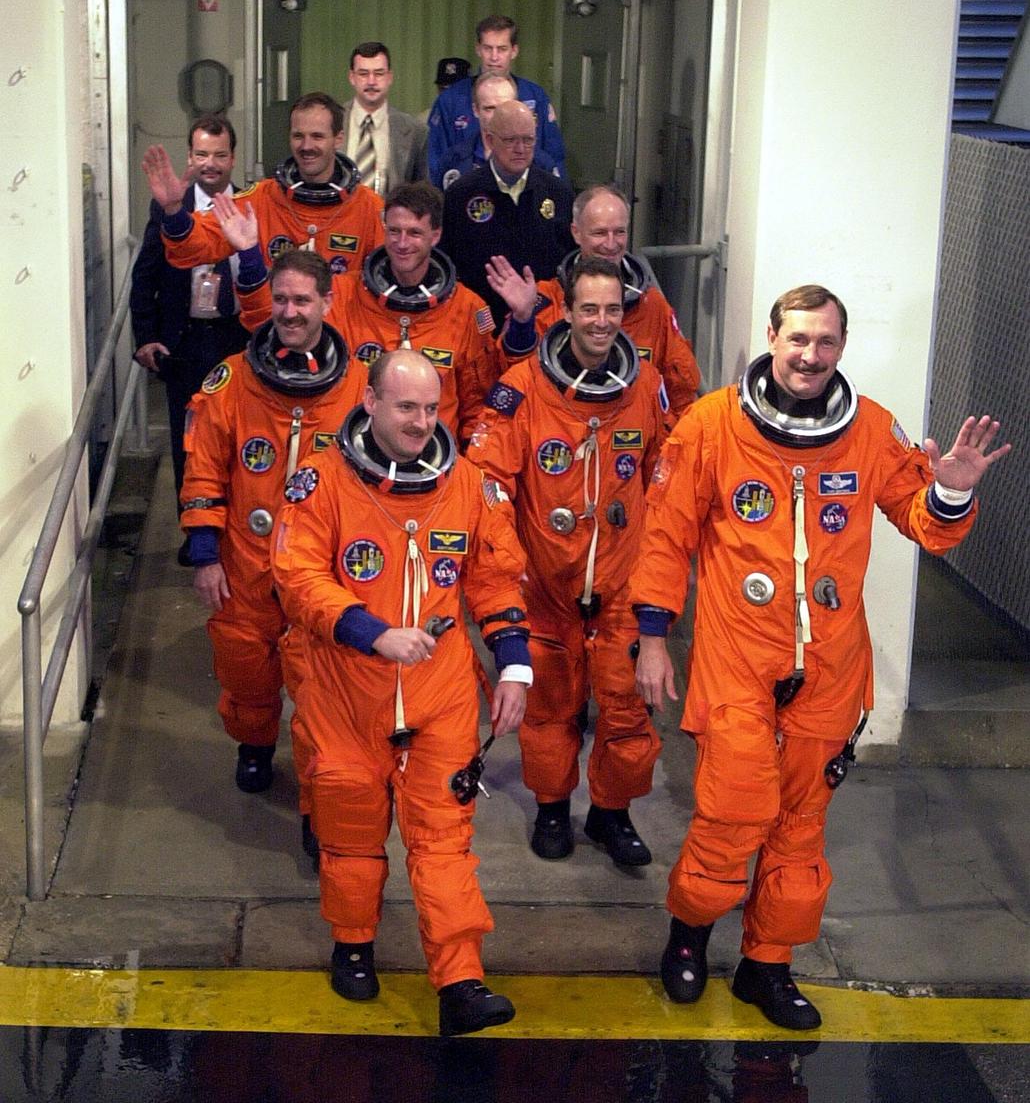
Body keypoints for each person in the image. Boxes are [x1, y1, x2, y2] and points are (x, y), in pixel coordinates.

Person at [630, 284, 1012, 1031]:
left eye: (826, 342)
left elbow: (922, 522)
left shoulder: (869, 430)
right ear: (771, 336)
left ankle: (767, 965)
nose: (810, 356)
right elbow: (664, 536)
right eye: (798, 338)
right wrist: (651, 637)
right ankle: (689, 937)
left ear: (842, 347)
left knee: (801, 823)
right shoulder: (710, 426)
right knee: (733, 811)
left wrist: (954, 494)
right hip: (738, 656)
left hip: (831, 665)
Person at [271, 350, 532, 1037]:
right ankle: (354, 943)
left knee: (444, 840)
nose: (420, 422)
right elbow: (295, 574)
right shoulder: (320, 482)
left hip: (439, 694)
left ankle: (461, 981)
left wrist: (513, 665)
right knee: (353, 836)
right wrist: (369, 631)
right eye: (405, 407)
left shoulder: (470, 486)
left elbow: (497, 580)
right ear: (371, 404)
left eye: (430, 408)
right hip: (345, 692)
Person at [467, 259, 669, 867]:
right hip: (546, 591)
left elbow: (667, 479)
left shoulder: (647, 385)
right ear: (568, 312)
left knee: (628, 715)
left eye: (612, 310)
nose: (601, 321)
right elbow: (486, 480)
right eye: (589, 309)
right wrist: (512, 567)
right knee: (550, 713)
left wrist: (657, 577)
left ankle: (613, 814)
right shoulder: (523, 387)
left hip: (622, 587)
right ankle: (553, 809)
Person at [180, 250, 366, 836]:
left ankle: (320, 805)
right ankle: (255, 746)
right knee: (246, 671)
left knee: (324, 694)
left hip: (323, 572)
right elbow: (204, 470)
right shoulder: (232, 381)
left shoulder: (361, 384)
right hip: (245, 562)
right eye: (280, 300)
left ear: (326, 304)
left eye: (302, 301)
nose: (289, 311)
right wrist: (206, 554)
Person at [130, 115, 248, 558]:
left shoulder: (252, 204)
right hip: (185, 340)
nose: (211, 164)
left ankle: (235, 530)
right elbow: (145, 273)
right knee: (188, 438)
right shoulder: (168, 206)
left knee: (237, 436)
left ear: (233, 158)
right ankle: (194, 534)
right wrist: (144, 336)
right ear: (189, 157)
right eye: (202, 155)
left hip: (238, 337)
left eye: (220, 155)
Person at [486, 184, 702, 417]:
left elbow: (681, 392)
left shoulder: (653, 307)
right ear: (576, 233)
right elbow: (512, 375)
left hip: (629, 432)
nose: (611, 244)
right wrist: (522, 321)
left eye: (619, 232)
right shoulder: (545, 300)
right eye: (599, 233)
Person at [320, 181, 499, 445]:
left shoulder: (468, 308)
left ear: (435, 235)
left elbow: (477, 407)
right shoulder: (342, 294)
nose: (402, 243)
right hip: (355, 450)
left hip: (432, 457)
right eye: (394, 231)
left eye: (414, 233)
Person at [142, 92, 383, 283]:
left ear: (338, 138)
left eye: (317, 136)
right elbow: (191, 249)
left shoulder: (369, 207)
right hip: (272, 335)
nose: (306, 146)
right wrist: (174, 210)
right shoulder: (260, 199)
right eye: (298, 136)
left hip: (341, 339)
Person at [441, 99, 575, 328]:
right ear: (490, 140)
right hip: (477, 323)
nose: (521, 149)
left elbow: (570, 264)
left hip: (544, 323)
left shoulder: (558, 192)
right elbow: (448, 265)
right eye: (511, 140)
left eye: (528, 140)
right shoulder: (460, 194)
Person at [428, 15, 565, 185]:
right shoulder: (450, 100)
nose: (494, 57)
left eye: (501, 49)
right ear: (478, 49)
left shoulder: (535, 96)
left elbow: (554, 156)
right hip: (466, 192)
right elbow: (435, 161)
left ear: (514, 51)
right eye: (488, 48)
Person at [437, 73, 563, 190]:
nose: (497, 115)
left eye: (504, 106)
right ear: (475, 110)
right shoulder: (453, 162)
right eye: (489, 108)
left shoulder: (542, 164)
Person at [341, 42, 428, 192]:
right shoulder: (332, 122)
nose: (371, 81)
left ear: (389, 77)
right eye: (363, 74)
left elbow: (421, 192)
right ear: (352, 77)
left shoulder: (415, 131)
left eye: (379, 73)